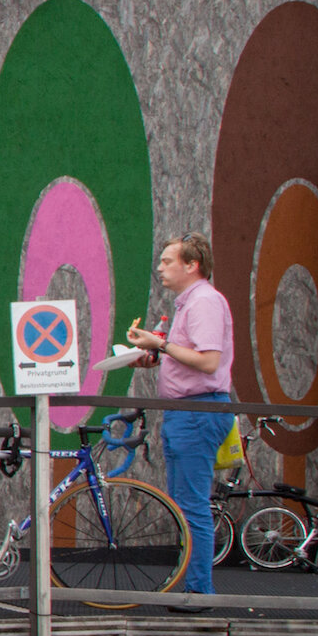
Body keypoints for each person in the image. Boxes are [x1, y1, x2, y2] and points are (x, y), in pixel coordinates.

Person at [128, 232, 233, 598]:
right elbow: (189, 357)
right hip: (186, 412)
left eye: (167, 261)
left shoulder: (204, 302)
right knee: (184, 505)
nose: (160, 267)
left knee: (191, 506)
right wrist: (155, 355)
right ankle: (191, 586)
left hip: (197, 411)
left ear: (192, 265)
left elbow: (208, 361)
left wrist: (161, 344)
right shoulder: (190, 303)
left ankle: (199, 591)